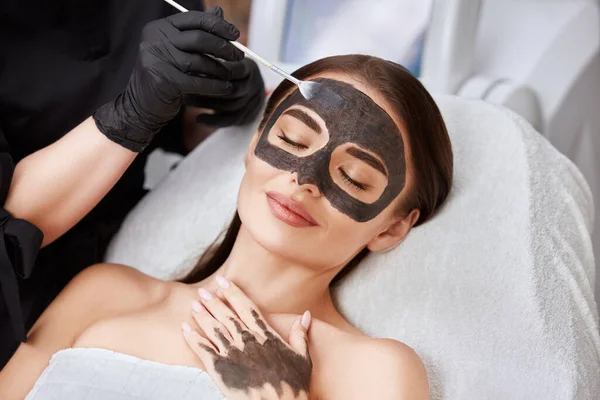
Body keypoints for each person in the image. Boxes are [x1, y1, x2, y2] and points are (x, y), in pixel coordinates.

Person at [0, 54, 453, 399]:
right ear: (255, 142)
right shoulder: (106, 292)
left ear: (392, 228)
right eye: (292, 140)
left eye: (353, 177)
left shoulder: (376, 370)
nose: (303, 179)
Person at [0, 3, 265, 367]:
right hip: (17, 291)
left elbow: (177, 129)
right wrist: (132, 113)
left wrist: (221, 102)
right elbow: (12, 221)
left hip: (136, 249)